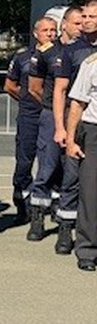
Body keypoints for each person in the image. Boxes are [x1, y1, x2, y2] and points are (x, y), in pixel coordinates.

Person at [26, 6, 80, 242]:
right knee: (47, 166)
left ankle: (65, 221)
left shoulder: (85, 50)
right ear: (64, 25)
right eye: (76, 23)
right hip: (51, 114)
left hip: (78, 115)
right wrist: (53, 108)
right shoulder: (48, 52)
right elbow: (34, 87)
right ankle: (37, 217)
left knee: (70, 170)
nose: (81, 27)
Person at [49, 1, 97, 254]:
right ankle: (66, 229)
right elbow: (61, 90)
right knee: (71, 179)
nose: (86, 20)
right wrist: (61, 128)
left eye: (91, 16)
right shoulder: (72, 51)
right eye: (83, 16)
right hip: (76, 122)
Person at [5, 17, 56, 225]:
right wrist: (27, 98)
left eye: (53, 30)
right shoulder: (23, 58)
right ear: (36, 34)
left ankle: (47, 205)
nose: (50, 34)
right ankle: (22, 204)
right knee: (24, 162)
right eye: (45, 30)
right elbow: (10, 86)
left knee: (50, 162)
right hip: (29, 115)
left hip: (50, 115)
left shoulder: (59, 56)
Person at [64, 49, 97, 271]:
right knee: (91, 193)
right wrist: (70, 139)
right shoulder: (91, 64)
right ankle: (87, 250)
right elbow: (77, 102)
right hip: (94, 132)